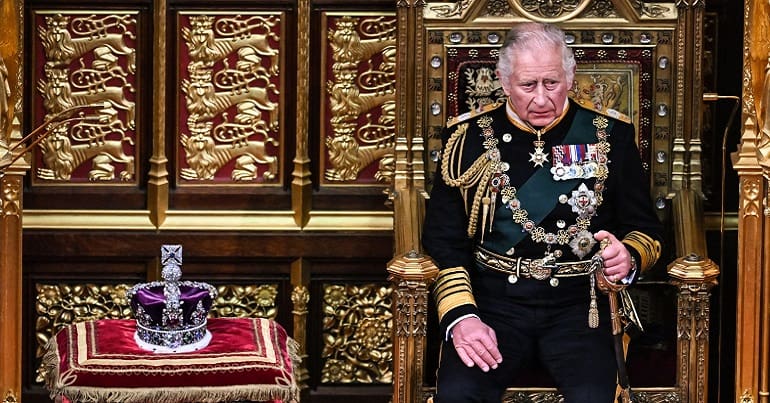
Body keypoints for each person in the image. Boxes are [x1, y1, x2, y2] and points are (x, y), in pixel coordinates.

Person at [422, 21, 664, 403]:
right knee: (458, 395)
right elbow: (442, 240)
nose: (540, 99)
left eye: (551, 83)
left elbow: (646, 230)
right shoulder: (467, 140)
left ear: (570, 78)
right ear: (503, 81)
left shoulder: (609, 136)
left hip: (581, 308)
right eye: (527, 85)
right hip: (493, 304)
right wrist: (463, 317)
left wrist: (628, 256)